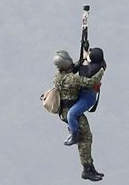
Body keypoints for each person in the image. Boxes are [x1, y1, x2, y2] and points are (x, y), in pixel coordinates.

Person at [53, 50, 106, 182]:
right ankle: (87, 169)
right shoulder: (72, 79)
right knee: (85, 138)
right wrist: (101, 71)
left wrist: (83, 55)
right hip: (71, 112)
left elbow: (75, 66)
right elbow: (89, 82)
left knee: (86, 137)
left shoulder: (59, 76)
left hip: (65, 111)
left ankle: (89, 167)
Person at [65, 47, 107, 147]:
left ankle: (75, 135)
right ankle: (72, 129)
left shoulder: (94, 69)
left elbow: (83, 75)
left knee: (71, 114)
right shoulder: (98, 64)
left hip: (87, 97)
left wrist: (84, 62)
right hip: (84, 94)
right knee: (67, 109)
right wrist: (86, 50)